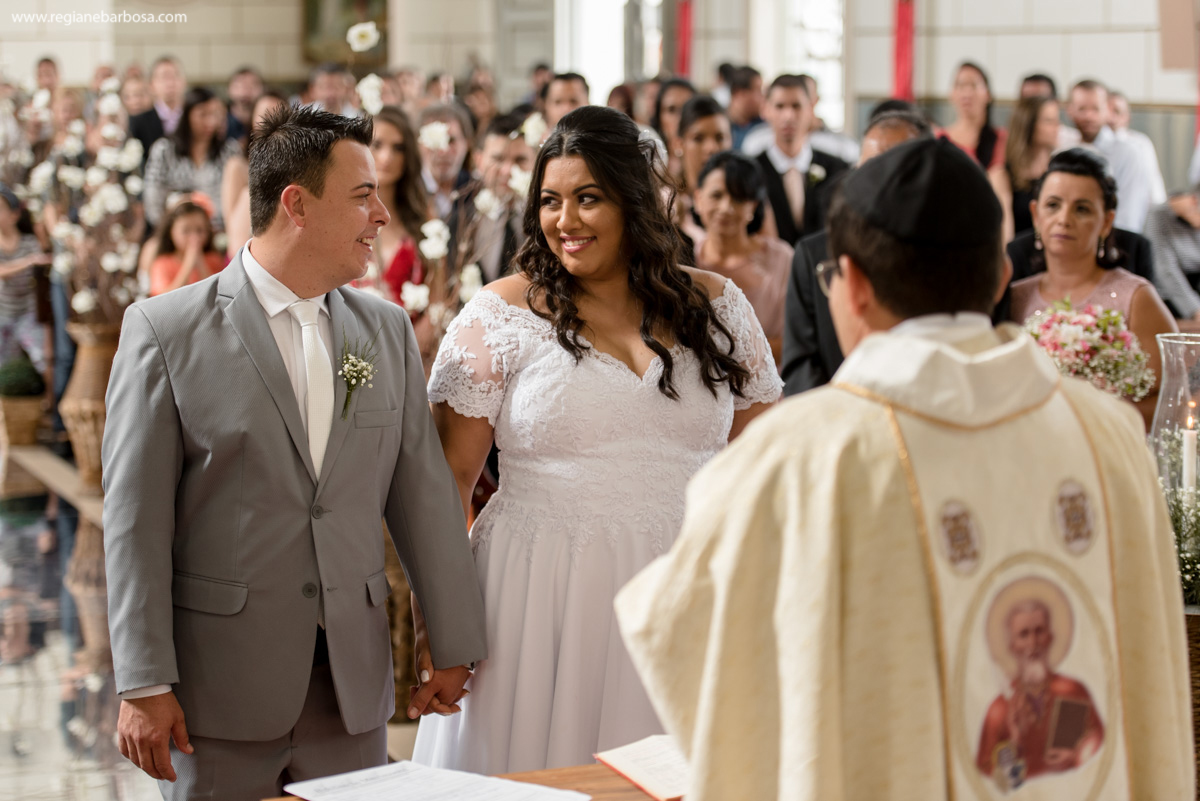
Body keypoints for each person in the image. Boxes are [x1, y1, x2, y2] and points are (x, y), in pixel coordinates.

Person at [615, 136, 1195, 801]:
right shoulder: (1110, 436)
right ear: (1002, 275)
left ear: (851, 284)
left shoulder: (798, 458)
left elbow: (685, 647)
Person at [102, 103, 487, 800]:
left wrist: (453, 640)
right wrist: (143, 679)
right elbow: (134, 524)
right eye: (363, 196)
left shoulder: (386, 330)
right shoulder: (163, 331)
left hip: (350, 690)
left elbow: (424, 499)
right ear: (296, 204)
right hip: (216, 695)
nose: (380, 216)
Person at [410, 105, 782, 775]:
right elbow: (445, 487)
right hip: (536, 593)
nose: (566, 220)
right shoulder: (501, 315)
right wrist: (447, 630)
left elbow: (762, 472)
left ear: (635, 202)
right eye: (550, 201)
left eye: (589, 198)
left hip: (686, 586)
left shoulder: (719, 307)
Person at [1009, 147, 1177, 428]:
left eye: (1082, 209)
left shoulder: (1135, 298)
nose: (1064, 219)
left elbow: (1170, 397)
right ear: (1036, 215)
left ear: (1106, 221)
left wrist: (1092, 418)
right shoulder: (1014, 298)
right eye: (1053, 205)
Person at [781, 109, 931, 395]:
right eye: (870, 169)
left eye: (896, 170)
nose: (881, 183)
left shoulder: (944, 253)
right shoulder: (815, 254)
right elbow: (800, 366)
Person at [974, 597, 1105, 784]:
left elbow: (1098, 737)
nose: (1033, 643)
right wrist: (1013, 743)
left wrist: (1077, 755)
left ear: (1049, 638)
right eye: (1024, 634)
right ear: (1013, 646)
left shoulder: (1073, 690)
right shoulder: (999, 709)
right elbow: (985, 776)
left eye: (1039, 631)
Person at [690, 151, 791, 363]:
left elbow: (794, 341)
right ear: (698, 199)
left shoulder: (783, 259)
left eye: (738, 198)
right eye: (716, 196)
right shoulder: (685, 260)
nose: (726, 208)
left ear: (753, 206)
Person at [754, 74, 850, 246]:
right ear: (766, 109)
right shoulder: (754, 170)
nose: (789, 116)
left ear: (811, 109)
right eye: (780, 106)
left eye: (796, 106)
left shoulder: (837, 168)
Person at [447, 112, 534, 284]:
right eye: (498, 159)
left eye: (520, 160)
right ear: (478, 161)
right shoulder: (461, 222)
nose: (507, 170)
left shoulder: (544, 220)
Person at [1066, 80, 1163, 233]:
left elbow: (1129, 218)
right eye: (1082, 109)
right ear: (1070, 110)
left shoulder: (1129, 152)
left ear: (1106, 110)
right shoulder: (1066, 151)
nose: (1088, 116)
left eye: (1095, 109)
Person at [143, 86, 240, 232]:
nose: (210, 121)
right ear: (187, 115)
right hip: (174, 233)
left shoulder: (230, 151)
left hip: (220, 233)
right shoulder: (164, 150)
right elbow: (153, 201)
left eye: (215, 114)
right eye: (203, 114)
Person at [222, 91, 287, 257]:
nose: (270, 119)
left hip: (285, 241)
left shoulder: (300, 163)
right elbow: (231, 221)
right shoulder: (238, 165)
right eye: (264, 113)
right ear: (253, 118)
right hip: (244, 245)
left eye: (277, 113)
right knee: (246, 193)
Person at [989, 95, 1060, 243]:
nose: (1057, 126)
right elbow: (1005, 238)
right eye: (1048, 121)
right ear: (1028, 125)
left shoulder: (1060, 173)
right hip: (1019, 258)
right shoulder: (1002, 176)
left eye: (1057, 120)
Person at [0, 185, 50, 371]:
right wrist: (28, 261)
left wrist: (42, 231)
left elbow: (44, 259)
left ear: (14, 215)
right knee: (4, 364)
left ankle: (48, 399)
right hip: (3, 313)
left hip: (28, 313)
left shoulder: (29, 242)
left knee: (40, 357)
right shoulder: (28, 254)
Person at [148, 197, 225, 296]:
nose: (194, 237)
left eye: (200, 230)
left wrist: (200, 263)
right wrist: (189, 264)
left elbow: (218, 294)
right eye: (186, 231)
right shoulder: (162, 263)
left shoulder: (214, 259)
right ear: (171, 232)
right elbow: (163, 299)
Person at [938, 61, 1006, 170]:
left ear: (988, 95)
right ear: (951, 94)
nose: (967, 93)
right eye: (960, 85)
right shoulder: (938, 139)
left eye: (974, 85)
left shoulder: (1002, 139)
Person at [1144, 188, 1200, 321]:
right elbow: (1166, 270)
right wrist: (1195, 309)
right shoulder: (1159, 216)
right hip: (1171, 300)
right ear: (1193, 200)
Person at [128, 56, 186, 166]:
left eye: (175, 76)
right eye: (164, 77)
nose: (170, 83)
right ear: (151, 85)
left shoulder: (193, 119)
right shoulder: (138, 122)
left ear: (184, 82)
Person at [418, 103, 472, 219]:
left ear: (466, 144)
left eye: (451, 141)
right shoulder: (406, 191)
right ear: (418, 144)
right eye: (434, 142)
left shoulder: (475, 190)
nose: (443, 151)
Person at [650, 78, 695, 181]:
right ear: (659, 116)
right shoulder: (648, 162)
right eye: (671, 110)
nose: (679, 118)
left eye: (686, 109)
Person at [726, 66, 764, 151]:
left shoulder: (764, 127)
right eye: (758, 90)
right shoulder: (721, 126)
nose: (762, 97)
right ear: (739, 93)